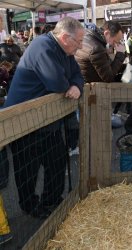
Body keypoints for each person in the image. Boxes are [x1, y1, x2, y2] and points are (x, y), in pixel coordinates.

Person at [3, 16, 84, 218]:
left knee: (56, 161)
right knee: (27, 169)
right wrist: (70, 84)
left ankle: (52, 200)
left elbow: (78, 75)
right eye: (79, 41)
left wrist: (76, 86)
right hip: (24, 121)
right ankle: (30, 205)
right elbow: (56, 83)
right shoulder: (43, 46)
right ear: (65, 38)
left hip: (47, 119)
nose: (81, 46)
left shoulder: (64, 50)